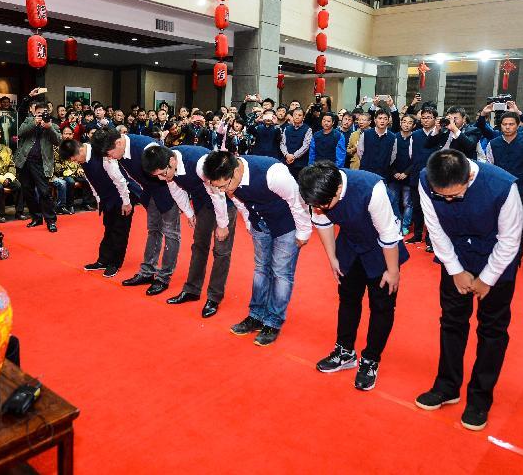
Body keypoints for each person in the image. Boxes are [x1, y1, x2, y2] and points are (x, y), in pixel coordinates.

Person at [415, 149, 522, 431]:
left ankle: (479, 399)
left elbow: (510, 239)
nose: (448, 201)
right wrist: (455, 269)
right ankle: (447, 386)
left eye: (455, 195)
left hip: (497, 260)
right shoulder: (426, 179)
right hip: (456, 255)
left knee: (492, 330)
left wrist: (487, 278)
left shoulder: (502, 187)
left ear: (468, 177)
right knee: (451, 322)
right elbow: (435, 228)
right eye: (443, 196)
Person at [299, 161, 408, 390]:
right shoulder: (318, 190)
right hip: (350, 244)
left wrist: (393, 271)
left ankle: (371, 359)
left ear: (338, 190)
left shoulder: (372, 189)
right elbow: (322, 222)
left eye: (322, 204)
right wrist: (333, 258)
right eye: (314, 205)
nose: (317, 209)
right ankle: (345, 351)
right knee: (348, 298)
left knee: (381, 306)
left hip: (381, 249)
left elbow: (388, 234)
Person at [203, 150, 311, 346]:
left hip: (285, 225)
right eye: (217, 187)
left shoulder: (273, 173)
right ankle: (256, 315)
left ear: (236, 171)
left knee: (281, 273)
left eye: (223, 186)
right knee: (261, 269)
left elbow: (297, 201)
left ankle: (273, 322)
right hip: (259, 223)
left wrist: (303, 232)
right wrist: (249, 223)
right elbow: (240, 202)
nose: (222, 191)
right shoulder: (228, 181)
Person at [142, 145, 236, 318]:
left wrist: (222, 224)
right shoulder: (167, 165)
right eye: (157, 176)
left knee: (221, 250)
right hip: (203, 202)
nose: (162, 178)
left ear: (172, 162)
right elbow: (176, 190)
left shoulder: (200, 164)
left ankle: (214, 297)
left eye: (163, 173)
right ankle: (192, 289)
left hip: (223, 202)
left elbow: (217, 194)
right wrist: (190, 213)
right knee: (199, 245)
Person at [91, 129, 180, 296]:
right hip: (150, 192)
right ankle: (147, 272)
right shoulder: (118, 151)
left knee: (171, 234)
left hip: (168, 191)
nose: (110, 158)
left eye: (110, 154)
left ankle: (163, 278)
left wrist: (182, 201)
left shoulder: (147, 147)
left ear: (118, 143)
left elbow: (171, 169)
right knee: (153, 231)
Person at [58, 137, 140, 278]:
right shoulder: (83, 160)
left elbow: (120, 179)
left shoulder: (102, 153)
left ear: (80, 150)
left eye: (74, 158)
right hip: (107, 197)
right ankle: (103, 260)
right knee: (108, 228)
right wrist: (99, 200)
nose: (74, 161)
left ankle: (115, 263)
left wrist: (127, 202)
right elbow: (92, 181)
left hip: (122, 195)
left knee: (120, 230)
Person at [484, 112, 523, 251]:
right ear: (500, 125)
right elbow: (490, 166)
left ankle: (518, 247)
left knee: (519, 219)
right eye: (504, 124)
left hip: (521, 187)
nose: (507, 127)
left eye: (511, 124)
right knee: (499, 218)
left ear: (518, 125)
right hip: (499, 188)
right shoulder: (493, 143)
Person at [15, 101, 61, 232]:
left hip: (41, 163)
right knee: (27, 191)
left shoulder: (53, 125)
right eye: (38, 113)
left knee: (44, 192)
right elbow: (20, 133)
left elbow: (58, 141)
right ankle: (36, 217)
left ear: (48, 113)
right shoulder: (29, 121)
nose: (41, 115)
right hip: (25, 162)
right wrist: (34, 123)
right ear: (34, 113)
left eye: (43, 113)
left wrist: (49, 127)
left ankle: (51, 221)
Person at [407, 107, 437, 246]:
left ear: (435, 119)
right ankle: (418, 235)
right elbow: (411, 155)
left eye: (429, 117)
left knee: (432, 208)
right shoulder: (415, 134)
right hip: (417, 175)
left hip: (434, 176)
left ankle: (431, 238)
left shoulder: (440, 133)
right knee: (417, 207)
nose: (426, 120)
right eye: (423, 117)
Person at [390, 114, 415, 230]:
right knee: (393, 201)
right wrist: (394, 172)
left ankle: (405, 225)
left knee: (407, 203)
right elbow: (388, 157)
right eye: (404, 121)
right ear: (400, 123)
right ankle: (396, 223)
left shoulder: (415, 138)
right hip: (393, 175)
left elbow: (417, 159)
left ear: (413, 125)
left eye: (410, 122)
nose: (406, 124)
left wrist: (406, 173)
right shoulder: (393, 137)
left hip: (409, 176)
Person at [356, 108, 397, 179]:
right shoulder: (366, 134)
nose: (382, 121)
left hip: (383, 173)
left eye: (385, 119)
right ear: (375, 120)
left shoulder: (392, 137)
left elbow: (393, 157)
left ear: (388, 121)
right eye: (380, 118)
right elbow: (360, 152)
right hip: (366, 171)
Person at [280, 107, 312, 179]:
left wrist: (293, 156)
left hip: (300, 163)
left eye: (300, 115)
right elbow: (282, 143)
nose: (297, 117)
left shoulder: (308, 129)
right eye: (295, 115)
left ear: (303, 117)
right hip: (286, 161)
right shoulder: (287, 128)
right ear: (292, 116)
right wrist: (286, 155)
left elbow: (306, 146)